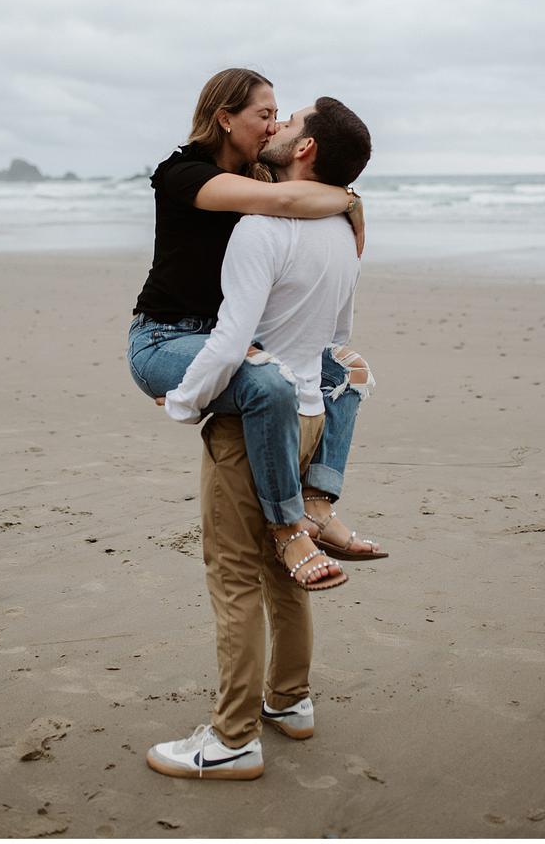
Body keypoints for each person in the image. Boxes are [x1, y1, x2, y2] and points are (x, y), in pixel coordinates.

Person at [146, 97, 373, 780]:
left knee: (235, 575)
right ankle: (290, 703)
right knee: (283, 567)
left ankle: (233, 738)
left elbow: (230, 340)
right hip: (307, 414)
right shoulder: (340, 230)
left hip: (250, 424)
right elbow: (339, 339)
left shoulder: (261, 229)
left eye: (290, 122)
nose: (276, 128)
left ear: (305, 150)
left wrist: (184, 404)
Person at [126, 69, 380, 590]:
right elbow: (290, 202)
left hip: (234, 341)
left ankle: (320, 502)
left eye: (278, 115)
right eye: (264, 115)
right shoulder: (183, 174)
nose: (272, 126)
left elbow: (299, 197)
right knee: (267, 382)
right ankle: (288, 527)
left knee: (348, 368)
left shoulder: (262, 177)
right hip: (165, 340)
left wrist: (349, 200)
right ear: (224, 118)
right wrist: (352, 202)